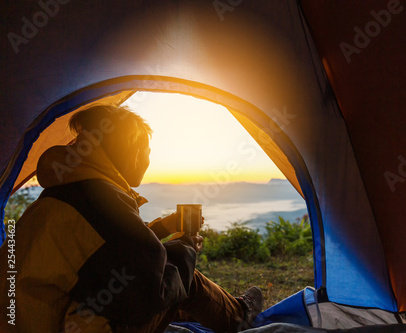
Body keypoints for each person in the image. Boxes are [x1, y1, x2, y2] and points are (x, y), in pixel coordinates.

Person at [0, 104, 263, 333]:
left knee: (167, 270)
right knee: (181, 274)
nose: (148, 158)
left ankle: (218, 308)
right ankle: (239, 314)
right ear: (133, 150)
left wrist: (162, 228)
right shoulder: (102, 198)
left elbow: (106, 248)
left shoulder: (69, 188)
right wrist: (186, 247)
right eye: (146, 150)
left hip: (22, 321)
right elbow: (147, 293)